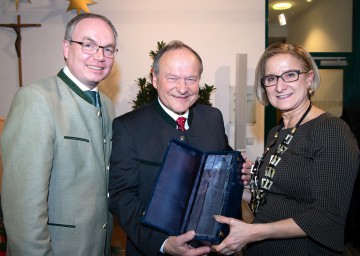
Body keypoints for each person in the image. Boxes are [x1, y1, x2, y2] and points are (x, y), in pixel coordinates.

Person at [212, 42, 360, 255]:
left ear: (309, 79)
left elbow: (327, 216)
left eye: (290, 75)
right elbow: (272, 199)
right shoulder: (276, 131)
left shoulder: (330, 130)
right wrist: (232, 185)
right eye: (271, 79)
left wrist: (254, 232)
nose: (280, 87)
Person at [108, 40, 251, 256]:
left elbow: (223, 170)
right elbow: (121, 197)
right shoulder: (128, 127)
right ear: (154, 79)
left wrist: (241, 172)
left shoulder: (213, 118)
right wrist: (163, 243)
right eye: (172, 78)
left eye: (191, 79)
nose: (183, 88)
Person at [1, 13, 118, 255]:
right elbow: (22, 210)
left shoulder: (106, 105)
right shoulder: (37, 99)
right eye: (88, 45)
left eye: (108, 49)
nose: (99, 56)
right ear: (66, 47)